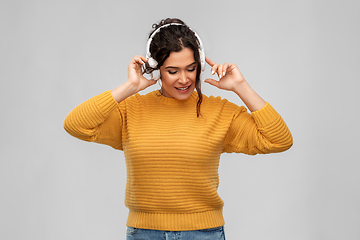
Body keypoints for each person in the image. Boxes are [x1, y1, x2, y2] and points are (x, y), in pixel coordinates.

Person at [64, 18, 293, 240]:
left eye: (191, 69)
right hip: (144, 233)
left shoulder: (220, 112)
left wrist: (241, 87)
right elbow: (75, 124)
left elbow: (279, 140)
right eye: (173, 71)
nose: (184, 79)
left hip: (204, 233)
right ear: (156, 68)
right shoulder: (130, 111)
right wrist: (130, 87)